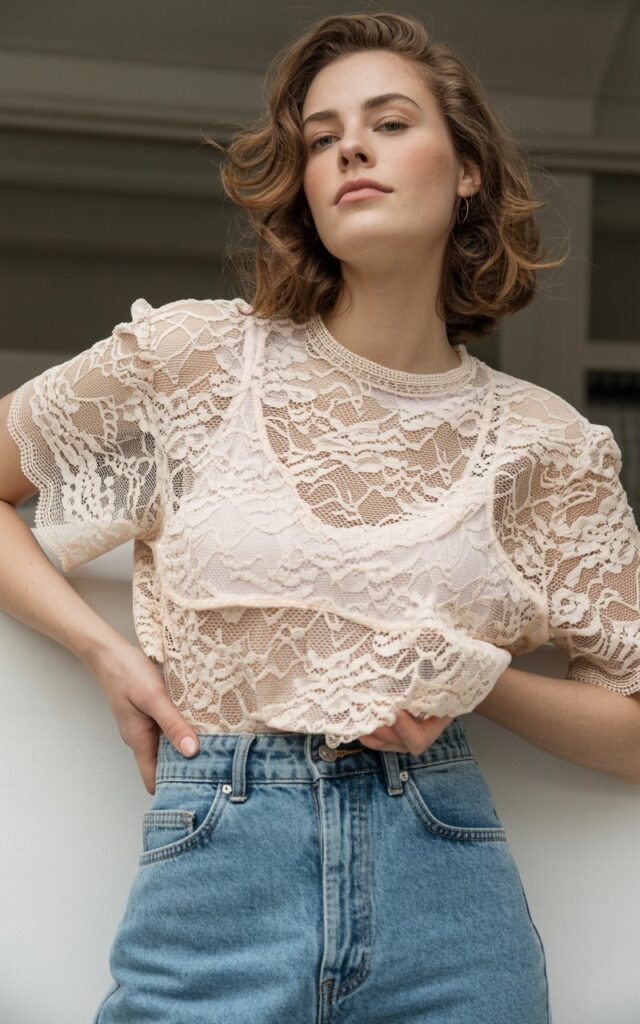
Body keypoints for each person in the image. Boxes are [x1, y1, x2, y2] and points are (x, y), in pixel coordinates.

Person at [1, 11, 639, 1024]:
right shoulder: (192, 361)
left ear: (466, 168)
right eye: (320, 136)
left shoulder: (545, 444)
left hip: (446, 890)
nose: (349, 146)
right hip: (215, 870)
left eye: (388, 122)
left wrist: (483, 681)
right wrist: (103, 651)